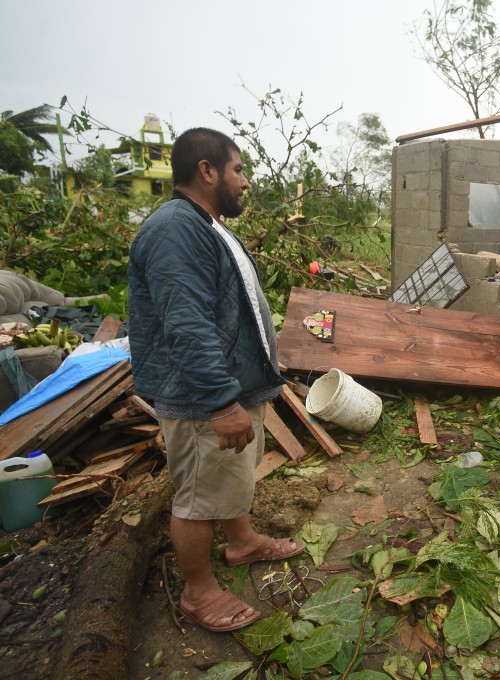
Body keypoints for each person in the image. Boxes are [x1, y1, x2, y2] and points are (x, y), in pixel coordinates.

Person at [128, 128, 305, 633]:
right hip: (202, 398)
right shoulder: (174, 231)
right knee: (198, 497)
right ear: (207, 171)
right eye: (238, 169)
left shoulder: (204, 224)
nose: (245, 181)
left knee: (227, 479)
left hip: (228, 388)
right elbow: (187, 324)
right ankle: (198, 592)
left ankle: (244, 542)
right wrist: (221, 402)